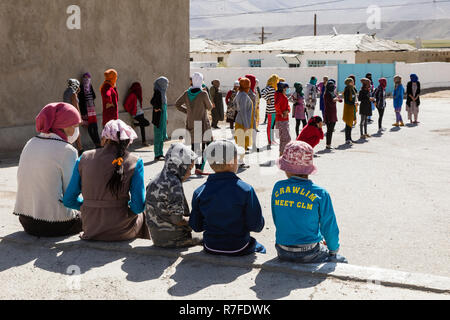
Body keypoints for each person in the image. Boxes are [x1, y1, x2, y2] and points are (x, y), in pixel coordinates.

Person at [63, 119, 150, 241]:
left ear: (104, 139)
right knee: (144, 214)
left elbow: (68, 200)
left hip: (91, 228)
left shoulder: (84, 158)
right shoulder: (135, 161)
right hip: (122, 231)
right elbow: (138, 207)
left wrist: (87, 206)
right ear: (127, 141)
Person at [272, 141, 347, 263]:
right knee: (342, 261)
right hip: (309, 252)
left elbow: (277, 218)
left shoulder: (278, 188)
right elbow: (329, 226)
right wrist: (333, 250)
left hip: (282, 249)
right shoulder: (321, 193)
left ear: (286, 169)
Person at [14, 103, 82, 237]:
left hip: (26, 221)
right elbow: (71, 193)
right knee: (94, 216)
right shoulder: (67, 150)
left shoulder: (30, 143)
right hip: (56, 224)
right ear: (64, 126)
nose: (76, 131)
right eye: (74, 126)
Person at [189, 140, 266, 256]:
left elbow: (196, 226)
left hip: (211, 246)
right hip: (238, 246)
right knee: (261, 248)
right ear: (231, 162)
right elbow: (256, 226)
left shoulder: (199, 192)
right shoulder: (245, 190)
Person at [145, 143, 203, 248]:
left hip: (156, 238)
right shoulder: (174, 184)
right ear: (180, 166)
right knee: (204, 237)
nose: (190, 173)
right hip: (173, 239)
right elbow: (177, 219)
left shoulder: (154, 179)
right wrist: (195, 221)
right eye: (189, 169)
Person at [175, 72, 213, 176]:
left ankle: (195, 166)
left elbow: (177, 104)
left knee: (194, 146)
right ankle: (200, 167)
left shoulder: (187, 93)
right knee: (206, 145)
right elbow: (209, 107)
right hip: (202, 123)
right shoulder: (203, 93)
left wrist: (187, 111)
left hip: (191, 123)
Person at [234, 77, 255, 167]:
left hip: (240, 119)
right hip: (243, 121)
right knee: (243, 142)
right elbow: (243, 111)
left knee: (241, 141)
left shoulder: (239, 93)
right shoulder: (243, 95)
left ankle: (240, 160)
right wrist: (246, 125)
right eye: (248, 83)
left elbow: (235, 105)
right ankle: (241, 161)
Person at [78, 73, 101, 148]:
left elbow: (94, 95)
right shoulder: (81, 87)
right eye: (85, 78)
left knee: (95, 126)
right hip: (85, 110)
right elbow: (80, 100)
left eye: (88, 78)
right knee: (90, 127)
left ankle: (99, 143)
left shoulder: (90, 86)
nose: (86, 79)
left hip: (92, 110)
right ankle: (96, 143)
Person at [124, 82, 150, 147]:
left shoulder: (137, 95)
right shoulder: (132, 95)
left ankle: (144, 141)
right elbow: (126, 104)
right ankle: (135, 124)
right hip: (136, 114)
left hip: (141, 112)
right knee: (147, 123)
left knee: (142, 127)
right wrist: (130, 111)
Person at [151, 77, 170, 160]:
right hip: (158, 117)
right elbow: (152, 101)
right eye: (166, 83)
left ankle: (160, 153)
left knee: (162, 134)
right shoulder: (157, 92)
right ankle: (157, 154)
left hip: (163, 116)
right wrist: (156, 108)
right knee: (158, 134)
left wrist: (166, 117)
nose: (167, 85)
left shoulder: (163, 93)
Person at [63, 79, 84, 154]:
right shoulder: (73, 94)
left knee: (69, 133)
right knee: (76, 133)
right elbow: (76, 105)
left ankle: (69, 150)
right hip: (73, 115)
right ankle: (80, 150)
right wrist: (80, 118)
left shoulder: (66, 92)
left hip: (66, 115)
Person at [261, 74, 279, 147]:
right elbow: (262, 93)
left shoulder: (274, 88)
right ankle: (270, 141)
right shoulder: (270, 88)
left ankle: (272, 140)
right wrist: (267, 99)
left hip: (274, 110)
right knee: (270, 126)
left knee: (272, 126)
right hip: (271, 110)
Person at [275, 82, 291, 156]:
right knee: (286, 138)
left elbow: (287, 105)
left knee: (284, 138)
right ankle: (283, 154)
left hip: (284, 119)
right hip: (281, 120)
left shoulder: (283, 95)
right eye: (286, 88)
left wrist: (287, 110)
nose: (287, 89)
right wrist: (281, 113)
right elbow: (277, 106)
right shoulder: (279, 96)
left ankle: (282, 153)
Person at [323, 80, 341, 149]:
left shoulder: (332, 93)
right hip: (329, 113)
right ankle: (328, 144)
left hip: (333, 113)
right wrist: (336, 99)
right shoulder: (327, 94)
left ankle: (329, 144)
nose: (333, 87)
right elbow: (330, 102)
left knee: (331, 129)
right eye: (331, 86)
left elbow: (338, 99)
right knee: (329, 130)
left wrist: (338, 99)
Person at [343, 77, 357, 144]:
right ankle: (347, 139)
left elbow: (355, 93)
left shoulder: (352, 89)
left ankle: (350, 138)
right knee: (348, 124)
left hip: (352, 108)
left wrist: (354, 87)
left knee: (350, 123)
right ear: (349, 83)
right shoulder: (347, 90)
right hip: (348, 108)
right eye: (352, 81)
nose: (353, 82)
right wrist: (353, 103)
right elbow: (346, 101)